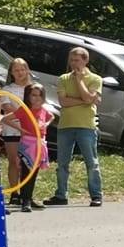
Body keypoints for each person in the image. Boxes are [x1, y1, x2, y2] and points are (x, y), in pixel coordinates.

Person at [46, 45, 104, 208]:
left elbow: (89, 96)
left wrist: (79, 81)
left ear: (85, 61)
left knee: (91, 162)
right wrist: (85, 101)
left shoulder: (95, 79)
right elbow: (63, 102)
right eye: (71, 60)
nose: (73, 63)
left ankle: (96, 195)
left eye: (77, 60)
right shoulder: (63, 79)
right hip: (65, 126)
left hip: (86, 126)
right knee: (62, 162)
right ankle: (61, 194)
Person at [0, 57, 39, 195]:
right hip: (12, 129)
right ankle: (14, 193)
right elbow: (8, 108)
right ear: (11, 73)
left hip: (30, 131)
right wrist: (23, 116)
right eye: (16, 70)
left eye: (22, 69)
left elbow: (39, 108)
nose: (20, 73)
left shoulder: (34, 88)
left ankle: (26, 194)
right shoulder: (7, 89)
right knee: (13, 161)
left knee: (28, 163)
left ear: (27, 70)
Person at [13, 83, 51, 212]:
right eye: (34, 95)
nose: (37, 98)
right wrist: (21, 129)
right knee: (26, 172)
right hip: (28, 144)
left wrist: (46, 123)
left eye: (40, 95)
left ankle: (29, 198)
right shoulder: (24, 110)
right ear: (28, 96)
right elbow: (5, 119)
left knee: (33, 173)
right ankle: (25, 201)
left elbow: (52, 116)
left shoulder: (44, 110)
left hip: (40, 144)